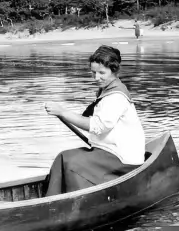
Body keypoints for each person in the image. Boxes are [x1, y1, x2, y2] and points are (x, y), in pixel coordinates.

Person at [42, 45, 145, 196]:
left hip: (123, 160)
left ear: (115, 70)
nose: (96, 78)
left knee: (71, 162)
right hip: (108, 152)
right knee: (63, 158)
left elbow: (97, 127)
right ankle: (52, 199)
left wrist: (63, 112)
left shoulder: (116, 97)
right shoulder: (107, 89)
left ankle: (72, 201)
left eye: (101, 73)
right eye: (93, 73)